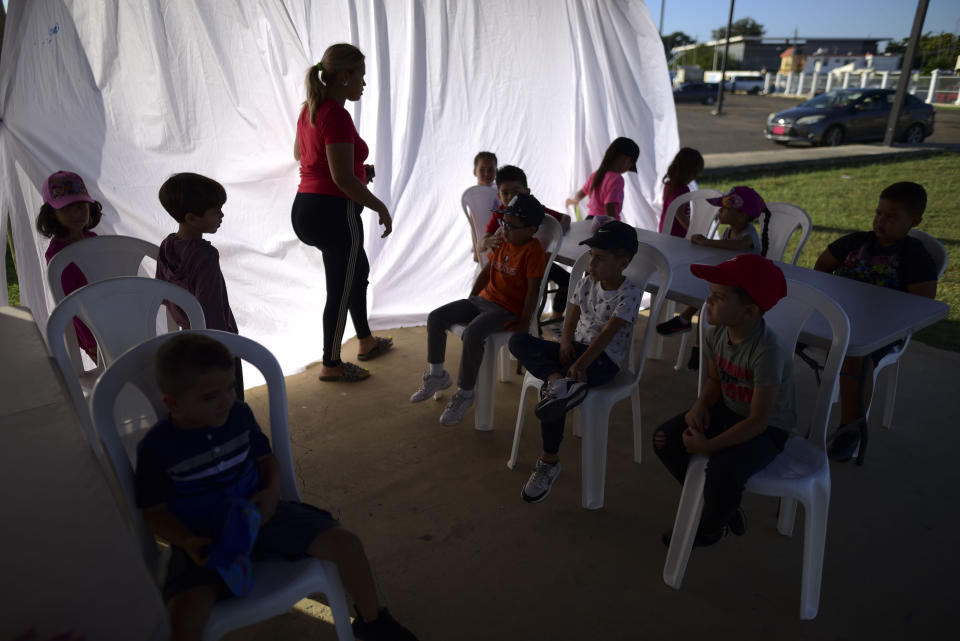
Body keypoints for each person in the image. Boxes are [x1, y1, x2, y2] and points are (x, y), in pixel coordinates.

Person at [134, 333, 417, 641]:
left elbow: (266, 459)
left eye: (230, 387)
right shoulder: (156, 448)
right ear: (172, 403)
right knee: (185, 616)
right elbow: (153, 511)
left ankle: (372, 621)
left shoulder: (238, 415)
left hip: (262, 514)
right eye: (210, 396)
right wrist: (187, 541)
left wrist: (271, 493)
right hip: (204, 540)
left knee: (347, 544)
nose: (227, 400)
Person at [653, 254, 795, 547]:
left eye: (719, 297)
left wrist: (708, 446)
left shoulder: (767, 352)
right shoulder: (715, 334)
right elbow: (716, 380)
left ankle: (711, 527)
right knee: (664, 440)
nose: (708, 302)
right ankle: (722, 507)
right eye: (710, 294)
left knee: (723, 470)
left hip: (767, 430)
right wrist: (700, 406)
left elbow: (759, 420)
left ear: (748, 310)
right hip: (728, 409)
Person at [509, 221, 644, 503]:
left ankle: (548, 461)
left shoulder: (630, 293)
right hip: (573, 353)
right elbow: (570, 319)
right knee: (517, 341)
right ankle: (558, 382)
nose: (591, 263)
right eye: (592, 256)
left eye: (600, 258)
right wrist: (566, 342)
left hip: (602, 361)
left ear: (623, 262)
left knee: (553, 401)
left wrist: (582, 362)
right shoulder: (586, 281)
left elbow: (608, 335)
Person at [813, 181, 938, 462]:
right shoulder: (856, 242)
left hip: (882, 330)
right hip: (840, 317)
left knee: (856, 356)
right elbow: (822, 266)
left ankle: (849, 428)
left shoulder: (915, 256)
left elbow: (922, 304)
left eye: (891, 216)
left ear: (914, 221)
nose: (881, 221)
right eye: (879, 213)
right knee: (779, 330)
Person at [291, 43, 393, 383]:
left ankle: (365, 340)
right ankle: (331, 363)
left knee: (356, 272)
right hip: (334, 212)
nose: (364, 83)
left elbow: (302, 154)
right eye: (361, 75)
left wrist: (359, 168)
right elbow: (341, 178)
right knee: (341, 288)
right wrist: (379, 206)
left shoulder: (311, 108)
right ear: (345, 76)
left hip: (307, 208)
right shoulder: (336, 113)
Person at [410, 194, 547, 426]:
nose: (505, 229)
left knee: (473, 333)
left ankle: (465, 392)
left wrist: (525, 324)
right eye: (504, 223)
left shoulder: (533, 252)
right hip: (483, 300)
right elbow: (487, 271)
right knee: (436, 317)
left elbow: (533, 291)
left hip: (506, 309)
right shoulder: (503, 240)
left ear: (531, 229)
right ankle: (437, 375)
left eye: (512, 225)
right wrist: (472, 297)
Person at [656, 186, 772, 368]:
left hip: (746, 292)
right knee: (707, 297)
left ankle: (688, 326)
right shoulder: (728, 232)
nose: (719, 211)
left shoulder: (748, 234)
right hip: (731, 285)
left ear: (742, 215)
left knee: (709, 300)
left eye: (725, 208)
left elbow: (737, 245)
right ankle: (695, 341)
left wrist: (707, 242)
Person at [156, 172, 244, 397]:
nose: (222, 215)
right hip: (217, 342)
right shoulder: (205, 255)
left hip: (188, 338)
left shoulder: (167, 245)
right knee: (231, 401)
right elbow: (210, 306)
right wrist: (223, 346)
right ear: (192, 218)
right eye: (216, 211)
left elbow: (162, 293)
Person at [478, 165, 571, 319]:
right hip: (511, 271)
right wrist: (487, 242)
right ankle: (530, 325)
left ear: (527, 192)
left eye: (516, 191)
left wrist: (553, 241)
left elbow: (565, 218)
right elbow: (481, 244)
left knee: (568, 282)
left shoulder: (535, 210)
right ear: (499, 196)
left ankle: (555, 318)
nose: (510, 197)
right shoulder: (499, 214)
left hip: (536, 262)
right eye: (505, 193)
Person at [36, 171, 104, 362]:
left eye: (81, 206)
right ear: (51, 214)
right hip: (89, 326)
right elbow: (72, 301)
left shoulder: (94, 239)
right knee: (111, 367)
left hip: (110, 310)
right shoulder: (57, 254)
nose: (76, 213)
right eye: (66, 208)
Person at [564, 137, 640, 221]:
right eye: (630, 164)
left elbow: (579, 194)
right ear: (626, 159)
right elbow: (609, 206)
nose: (628, 168)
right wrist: (613, 226)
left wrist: (573, 201)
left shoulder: (596, 175)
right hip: (603, 222)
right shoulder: (617, 179)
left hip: (589, 221)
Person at [659, 147, 705, 238]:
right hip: (676, 234)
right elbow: (680, 214)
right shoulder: (682, 189)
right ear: (690, 172)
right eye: (695, 174)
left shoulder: (669, 184)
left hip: (666, 230)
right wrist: (692, 231)